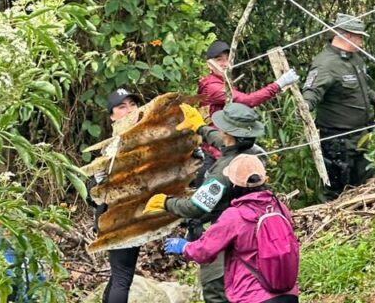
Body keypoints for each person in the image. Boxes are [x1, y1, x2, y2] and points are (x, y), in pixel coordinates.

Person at [144, 102, 267, 303]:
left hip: (222, 241)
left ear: (229, 134)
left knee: (217, 294)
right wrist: (200, 127)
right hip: (251, 239)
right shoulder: (251, 154)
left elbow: (196, 207)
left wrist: (167, 203)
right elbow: (223, 143)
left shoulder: (222, 174)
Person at [163, 154, 299, 303]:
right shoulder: (279, 207)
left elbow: (204, 250)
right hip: (289, 294)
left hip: (252, 295)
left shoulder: (234, 216)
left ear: (233, 184)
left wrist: (184, 246)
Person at [301, 13, 375, 201]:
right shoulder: (326, 64)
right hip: (337, 140)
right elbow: (312, 93)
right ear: (346, 35)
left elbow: (364, 88)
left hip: (362, 134)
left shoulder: (356, 60)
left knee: (367, 183)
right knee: (336, 189)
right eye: (359, 37)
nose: (361, 42)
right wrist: (304, 106)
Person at [91, 88, 143, 303]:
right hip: (121, 216)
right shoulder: (115, 145)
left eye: (132, 104)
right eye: (122, 107)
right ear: (112, 116)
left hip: (131, 214)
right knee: (123, 277)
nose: (129, 110)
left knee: (119, 273)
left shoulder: (138, 137)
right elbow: (99, 183)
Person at [199, 40, 300, 118]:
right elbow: (248, 101)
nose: (225, 64)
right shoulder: (212, 87)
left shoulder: (222, 82)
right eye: (219, 60)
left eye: (227, 59)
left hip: (226, 139)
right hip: (216, 143)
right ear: (209, 65)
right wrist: (278, 84)